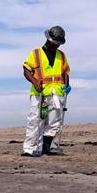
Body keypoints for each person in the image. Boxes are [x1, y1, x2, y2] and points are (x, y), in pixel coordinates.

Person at [22, 26, 70, 157]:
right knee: (35, 121)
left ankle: (46, 147)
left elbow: (65, 72)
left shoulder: (62, 56)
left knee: (54, 122)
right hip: (40, 93)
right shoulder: (35, 54)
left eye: (59, 44)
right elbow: (26, 70)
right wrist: (34, 81)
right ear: (48, 39)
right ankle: (29, 149)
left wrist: (67, 85)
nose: (57, 46)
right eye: (55, 43)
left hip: (57, 93)